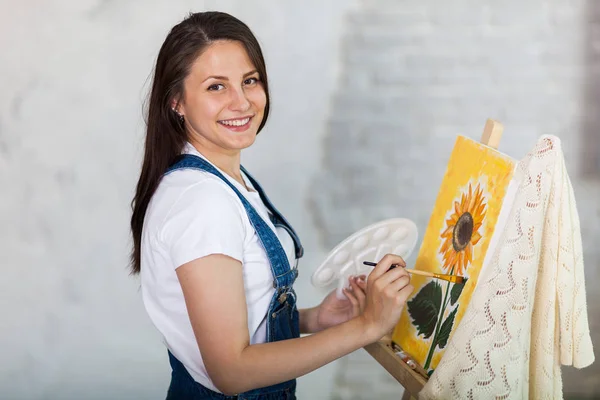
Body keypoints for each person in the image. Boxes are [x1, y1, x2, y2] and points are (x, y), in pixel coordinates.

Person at [130, 11, 414, 400]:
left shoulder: (223, 182)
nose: (242, 101)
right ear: (176, 101)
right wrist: (366, 327)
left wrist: (317, 319)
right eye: (216, 87)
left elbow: (233, 317)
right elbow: (231, 370)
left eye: (250, 80)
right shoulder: (202, 204)